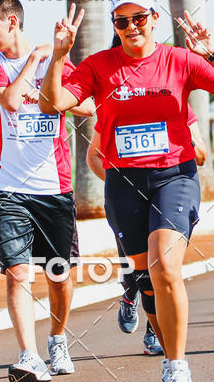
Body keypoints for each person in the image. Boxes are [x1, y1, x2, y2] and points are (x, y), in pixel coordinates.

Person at [40, 0, 214, 382]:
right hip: (125, 184)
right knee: (147, 278)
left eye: (140, 18)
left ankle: (177, 370)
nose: (132, 26)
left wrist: (210, 52)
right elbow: (52, 104)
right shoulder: (100, 66)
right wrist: (60, 54)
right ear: (115, 26)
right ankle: (158, 333)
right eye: (123, 21)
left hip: (175, 175)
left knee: (165, 267)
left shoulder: (180, 60)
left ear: (155, 18)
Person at [0, 0, 94, 382]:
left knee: (59, 273)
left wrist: (53, 90)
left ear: (12, 22)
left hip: (54, 187)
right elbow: (9, 100)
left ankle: (57, 338)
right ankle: (28, 355)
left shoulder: (56, 60)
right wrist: (32, 64)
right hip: (8, 187)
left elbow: (88, 105)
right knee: (17, 272)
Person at [87, 105, 207, 356]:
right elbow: (94, 156)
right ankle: (130, 296)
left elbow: (202, 156)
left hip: (167, 193)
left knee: (162, 266)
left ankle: (155, 334)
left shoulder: (178, 106)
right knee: (138, 274)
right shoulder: (117, 109)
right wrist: (121, 188)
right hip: (129, 198)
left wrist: (185, 145)